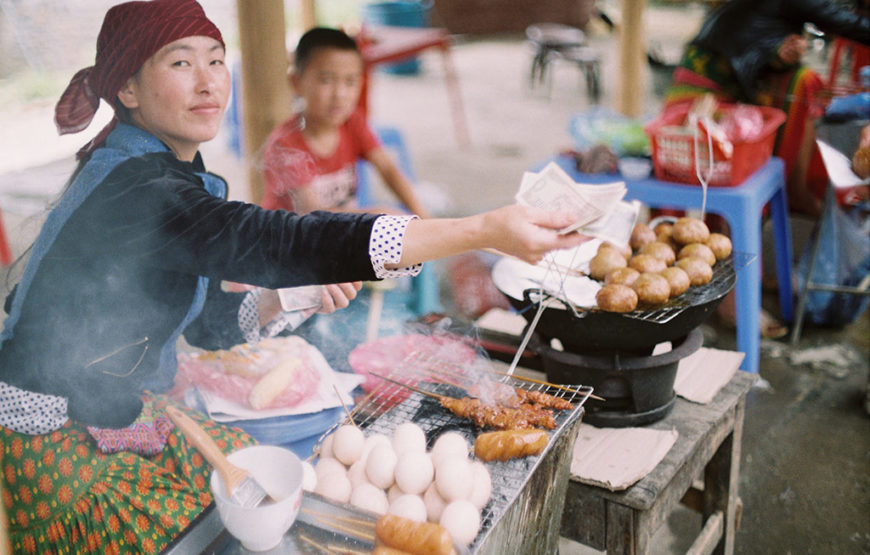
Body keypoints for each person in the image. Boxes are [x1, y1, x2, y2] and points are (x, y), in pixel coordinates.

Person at [0, 1, 587, 552]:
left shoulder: (160, 168)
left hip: (118, 402)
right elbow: (280, 237)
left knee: (260, 474)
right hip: (55, 434)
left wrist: (289, 296)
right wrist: (482, 228)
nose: (209, 82)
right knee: (212, 527)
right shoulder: (135, 190)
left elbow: (204, 325)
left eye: (214, 60)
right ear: (126, 88)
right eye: (180, 63)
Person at [663, 0, 870, 217]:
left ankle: (770, 203)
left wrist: (778, 55)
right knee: (686, 159)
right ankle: (792, 193)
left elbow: (757, 36)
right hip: (708, 77)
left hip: (715, 64)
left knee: (701, 164)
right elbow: (849, 24)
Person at [260, 27, 430, 217]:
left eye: (350, 82)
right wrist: (377, 216)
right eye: (326, 80)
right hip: (290, 242)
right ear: (296, 82)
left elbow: (388, 170)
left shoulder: (352, 122)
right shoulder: (285, 145)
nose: (340, 94)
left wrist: (425, 219)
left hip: (339, 233)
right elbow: (312, 214)